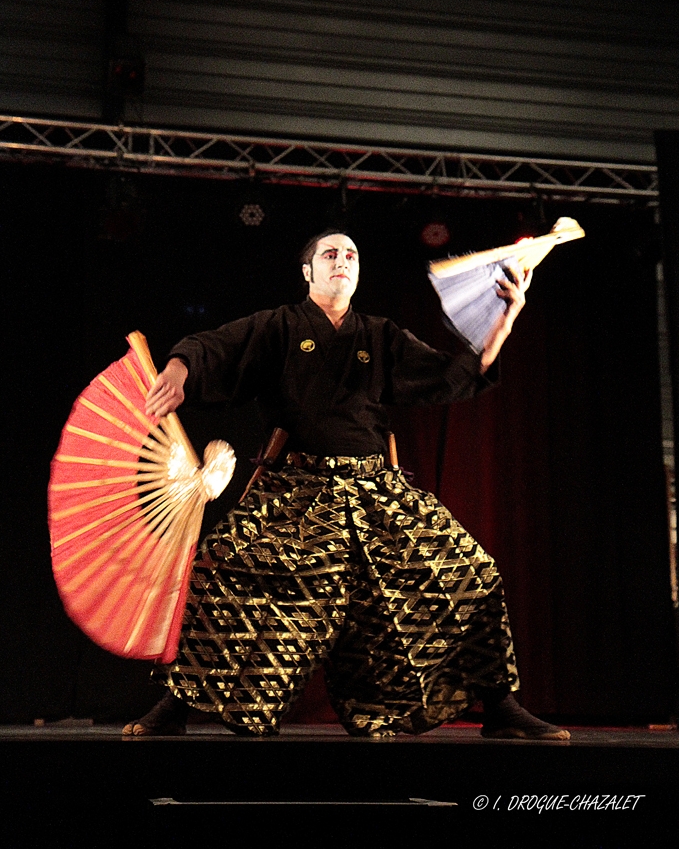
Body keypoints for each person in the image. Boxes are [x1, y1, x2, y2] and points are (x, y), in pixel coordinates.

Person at [124, 231, 569, 740]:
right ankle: (175, 704)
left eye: (352, 255)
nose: (342, 261)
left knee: (469, 570)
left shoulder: (380, 335)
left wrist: (506, 316)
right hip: (295, 491)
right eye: (329, 254)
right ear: (308, 272)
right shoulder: (277, 327)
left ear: (359, 273)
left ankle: (499, 705)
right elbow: (209, 347)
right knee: (220, 566)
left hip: (377, 492)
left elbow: (452, 375)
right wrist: (179, 368)